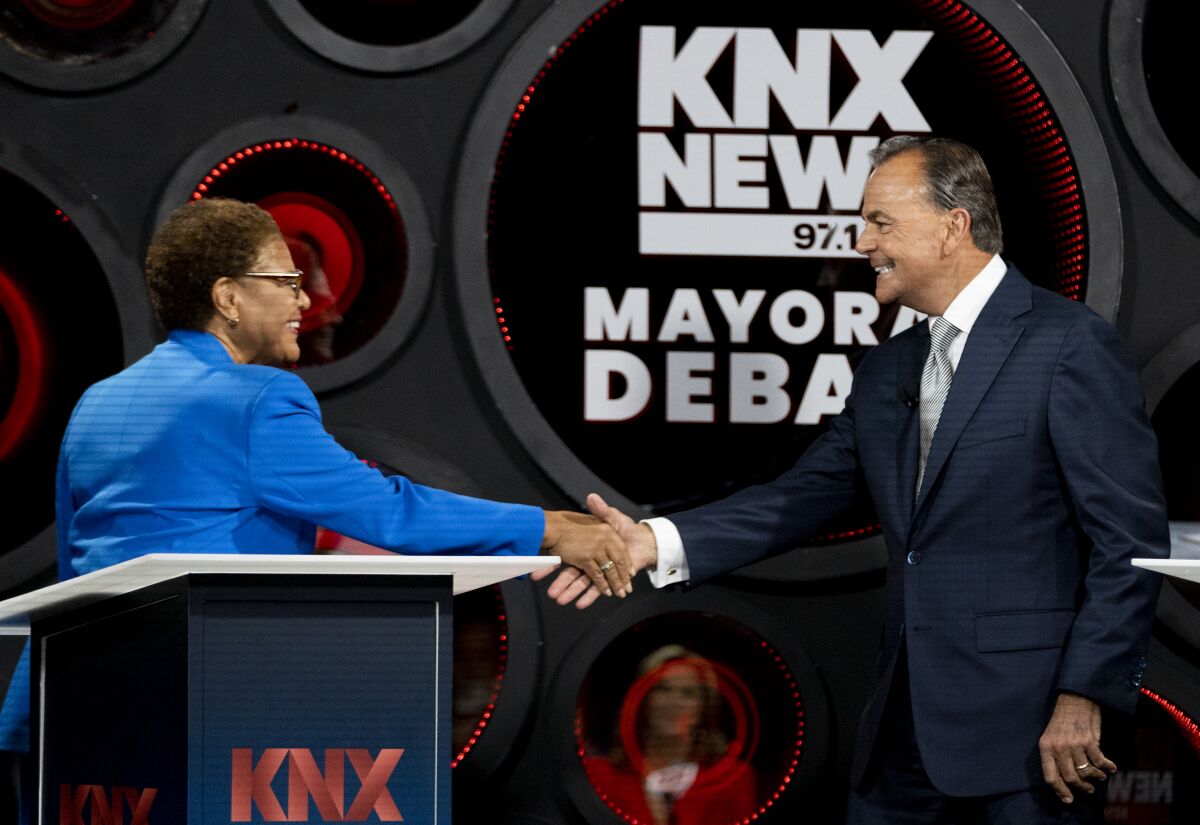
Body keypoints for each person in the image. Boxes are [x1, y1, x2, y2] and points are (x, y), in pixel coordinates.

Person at [551, 137, 1170, 824]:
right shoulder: (888, 369)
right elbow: (801, 495)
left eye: (880, 221)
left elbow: (1129, 542)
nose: (861, 241)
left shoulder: (1068, 345)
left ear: (953, 225)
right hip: (900, 736)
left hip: (1031, 739)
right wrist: (649, 542)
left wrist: (1084, 695)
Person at [0, 197, 632, 815]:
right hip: (202, 718)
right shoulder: (258, 397)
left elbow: (73, 572)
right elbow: (389, 513)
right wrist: (550, 529)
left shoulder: (97, 403)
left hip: (60, 713)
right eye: (287, 281)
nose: (306, 301)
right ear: (228, 297)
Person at [581, 645, 757, 825]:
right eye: (662, 689)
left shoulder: (734, 781)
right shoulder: (598, 775)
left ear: (705, 707)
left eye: (688, 693)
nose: (673, 703)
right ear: (643, 700)